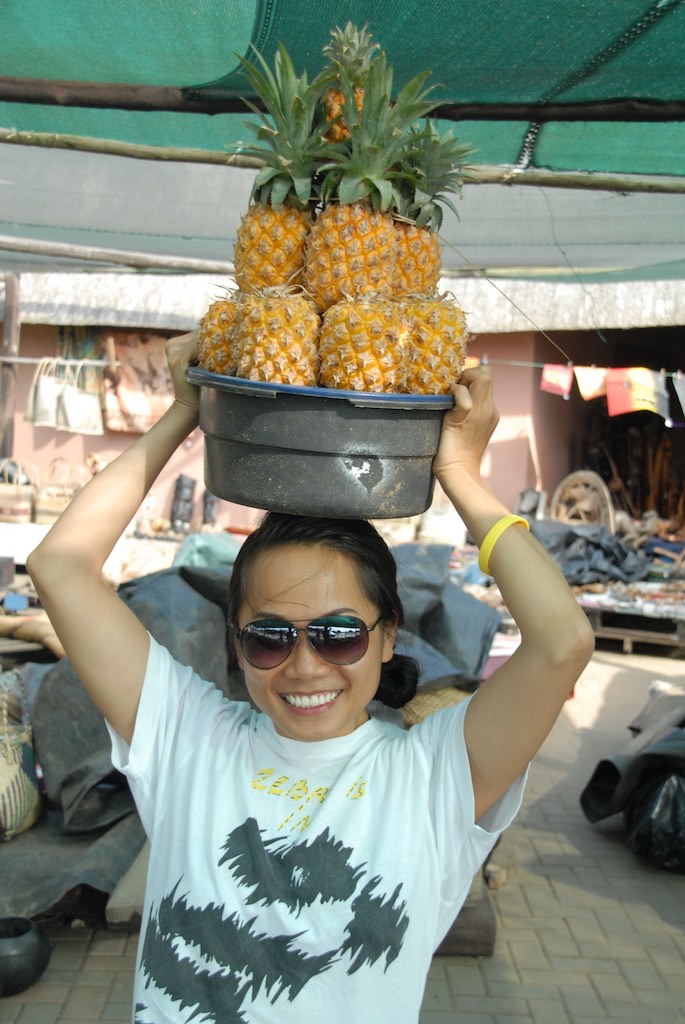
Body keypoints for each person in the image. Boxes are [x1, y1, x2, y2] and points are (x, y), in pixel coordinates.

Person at [27, 332, 594, 1024]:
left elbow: (562, 642)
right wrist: (183, 414)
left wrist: (459, 473)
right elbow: (60, 566)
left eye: (338, 635)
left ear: (387, 636)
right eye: (269, 637)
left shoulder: (433, 778)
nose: (302, 666)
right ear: (235, 646)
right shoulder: (187, 741)